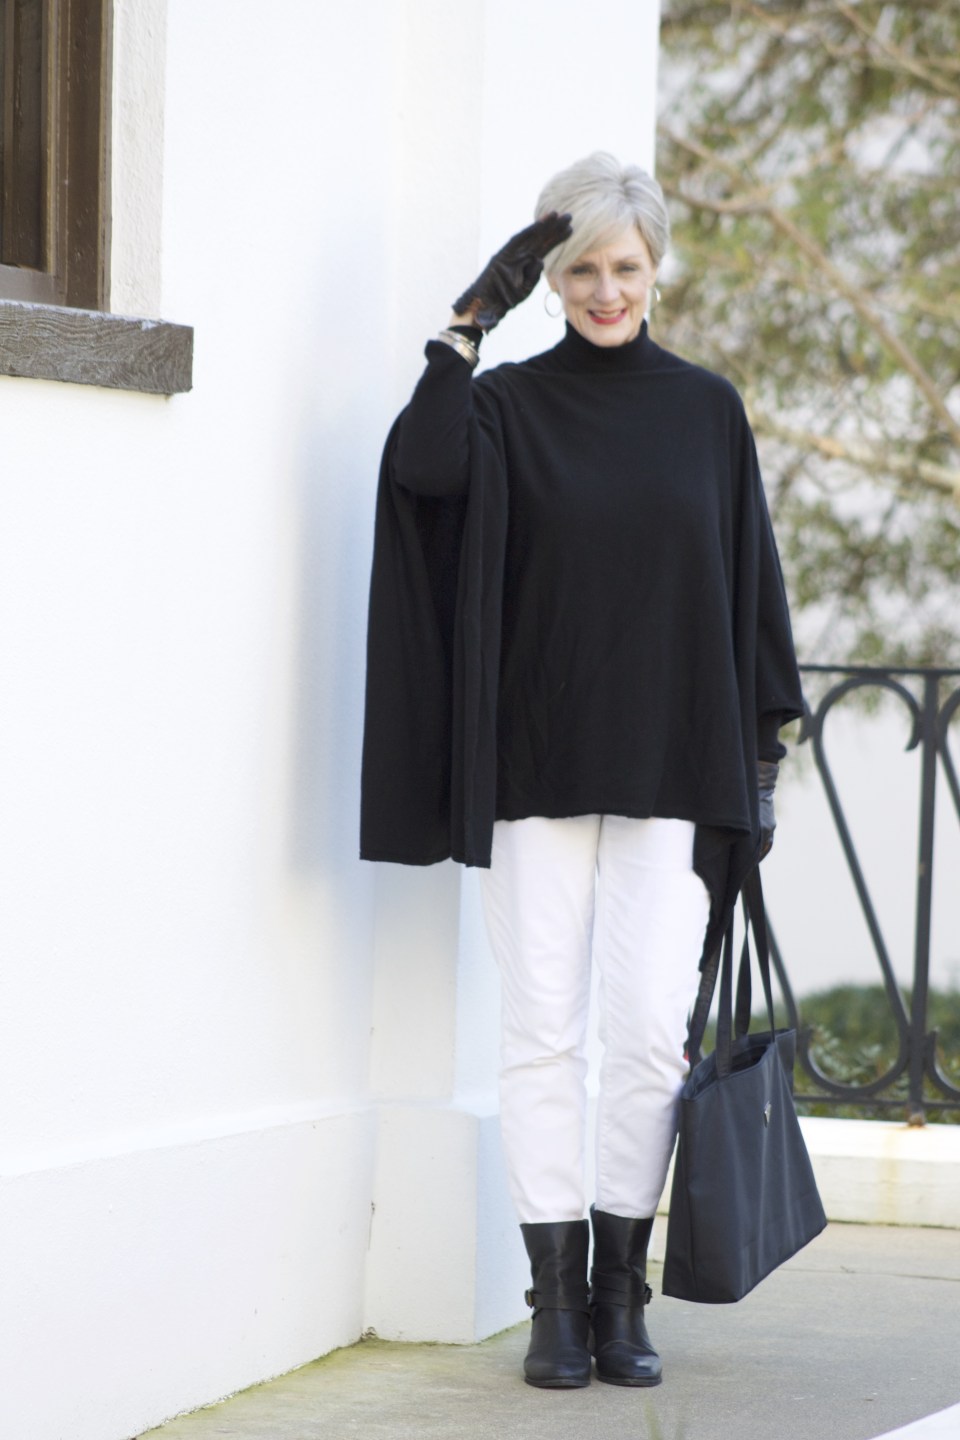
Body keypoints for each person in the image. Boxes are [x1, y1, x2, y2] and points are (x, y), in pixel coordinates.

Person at [360, 152, 803, 1390]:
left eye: (626, 267)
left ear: (657, 268)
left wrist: (757, 767)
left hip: (674, 763)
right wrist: (466, 326)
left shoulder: (706, 410)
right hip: (536, 760)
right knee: (543, 1033)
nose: (607, 291)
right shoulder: (507, 406)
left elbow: (749, 590)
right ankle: (553, 1305)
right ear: (549, 281)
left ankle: (621, 1298)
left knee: (649, 1038)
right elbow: (421, 468)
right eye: (581, 271)